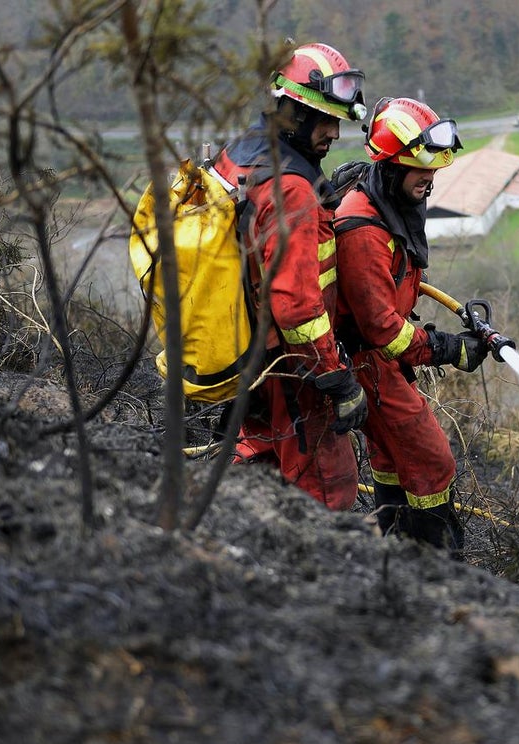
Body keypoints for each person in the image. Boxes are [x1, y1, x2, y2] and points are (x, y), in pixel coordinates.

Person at [212, 42, 368, 511]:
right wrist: (336, 380)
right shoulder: (292, 192)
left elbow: (255, 237)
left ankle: (238, 544)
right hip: (295, 368)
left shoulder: (241, 152)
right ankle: (318, 576)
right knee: (327, 485)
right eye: (325, 121)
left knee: (259, 456)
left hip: (248, 352)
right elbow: (298, 307)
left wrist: (324, 198)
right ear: (295, 115)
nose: (335, 134)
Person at [333, 97, 486, 553]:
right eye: (422, 170)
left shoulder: (390, 205)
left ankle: (396, 550)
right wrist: (449, 349)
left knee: (391, 455)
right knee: (429, 458)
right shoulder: (362, 229)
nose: (431, 179)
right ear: (391, 166)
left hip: (377, 362)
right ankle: (437, 561)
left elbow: (396, 283)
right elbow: (384, 329)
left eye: (434, 170)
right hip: (367, 361)